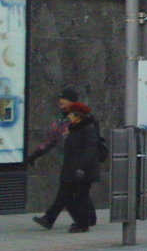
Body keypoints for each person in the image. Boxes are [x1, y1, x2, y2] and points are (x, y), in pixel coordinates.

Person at [33, 102, 100, 233]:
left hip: (83, 170)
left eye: (71, 114)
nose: (69, 116)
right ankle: (81, 221)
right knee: (66, 196)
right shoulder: (73, 128)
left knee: (81, 197)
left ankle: (82, 224)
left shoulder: (88, 128)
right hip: (70, 169)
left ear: (79, 116)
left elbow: (90, 150)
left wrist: (81, 168)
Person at [26, 86, 79, 166]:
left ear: (72, 102)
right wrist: (35, 155)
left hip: (80, 164)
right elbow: (51, 139)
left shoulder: (80, 119)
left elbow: (89, 145)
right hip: (65, 164)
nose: (60, 101)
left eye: (64, 99)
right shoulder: (60, 119)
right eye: (60, 98)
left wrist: (82, 166)